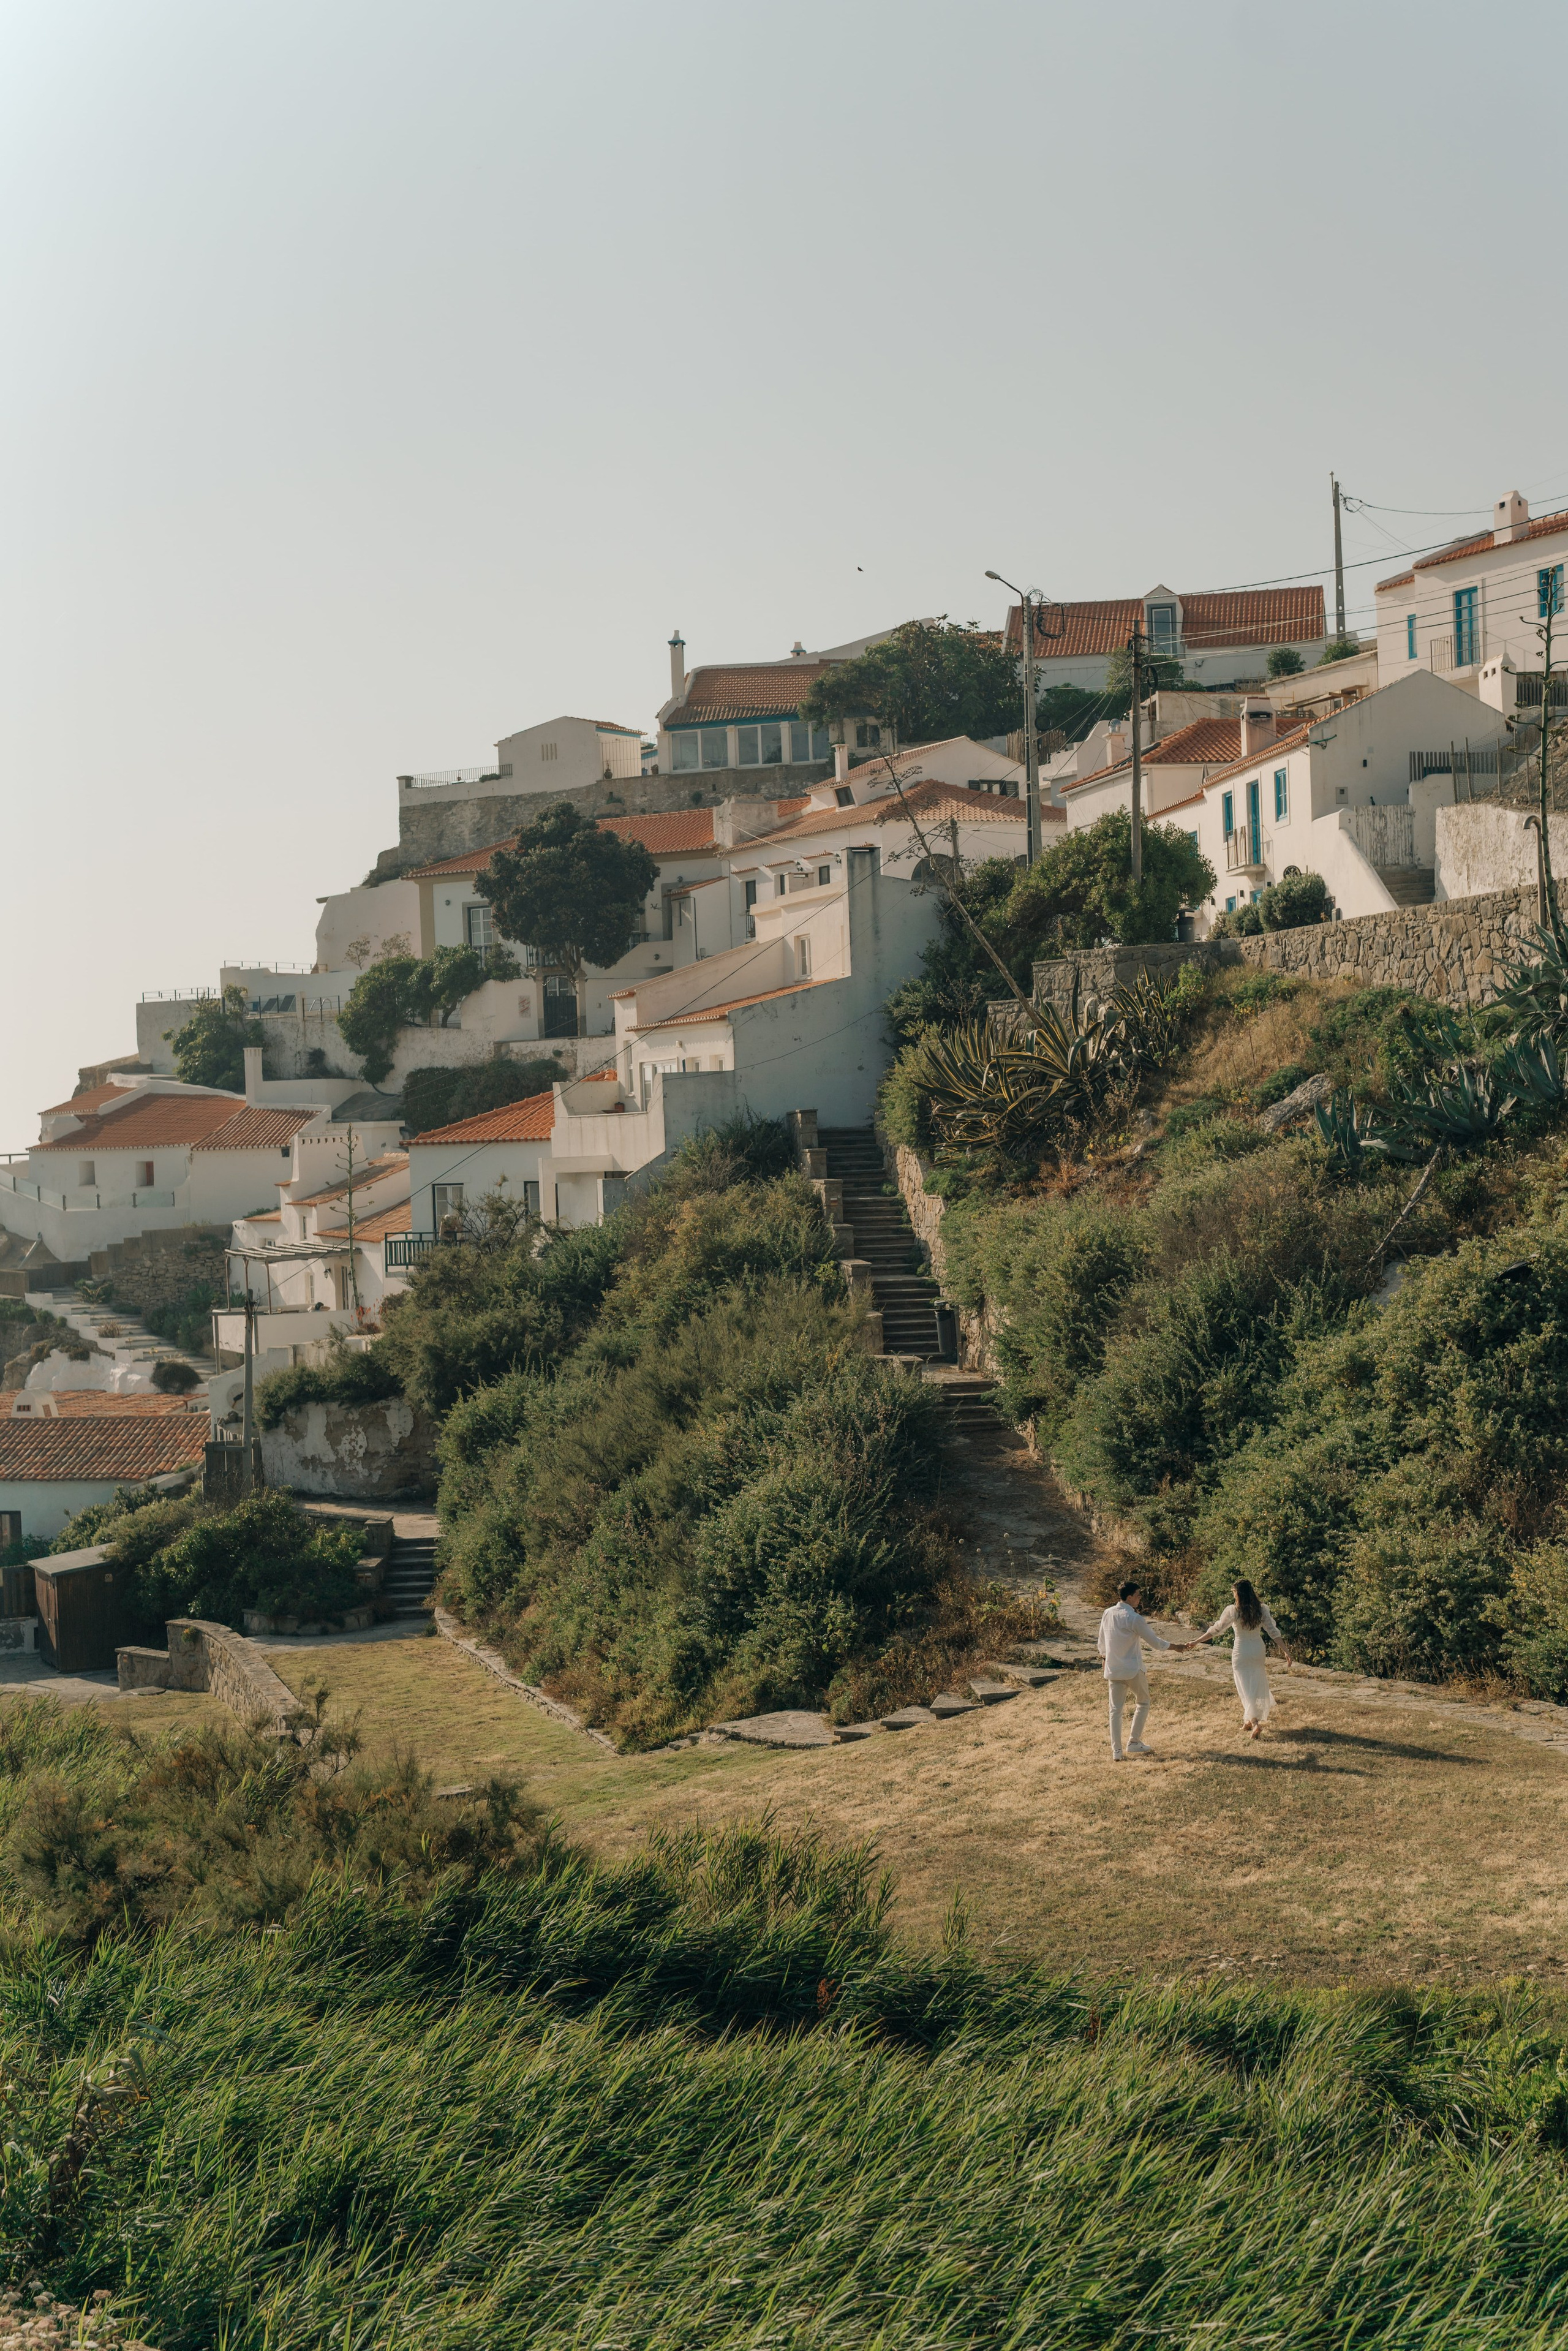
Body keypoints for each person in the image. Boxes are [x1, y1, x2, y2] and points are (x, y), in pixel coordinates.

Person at [1178, 1578, 1292, 1740]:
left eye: (1234, 1592)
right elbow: (1273, 1631)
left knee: (1244, 1687)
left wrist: (1197, 1641)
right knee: (1254, 1684)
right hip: (1258, 1649)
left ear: (1238, 1594)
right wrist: (1286, 1651)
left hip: (1242, 1650)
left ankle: (1255, 1724)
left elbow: (1216, 1629)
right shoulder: (1261, 1609)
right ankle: (1248, 1721)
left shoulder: (1234, 1610)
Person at [1096, 1578, 1170, 1761]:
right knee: (1143, 1702)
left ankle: (1117, 1752)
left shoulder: (1107, 1613)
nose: (1140, 1599)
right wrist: (1175, 1647)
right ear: (1129, 1598)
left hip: (1113, 1669)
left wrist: (1105, 1658)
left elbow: (1102, 1642)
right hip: (1132, 1669)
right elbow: (1156, 1643)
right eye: (1138, 1595)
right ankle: (1134, 1742)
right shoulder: (1135, 1618)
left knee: (1115, 1711)